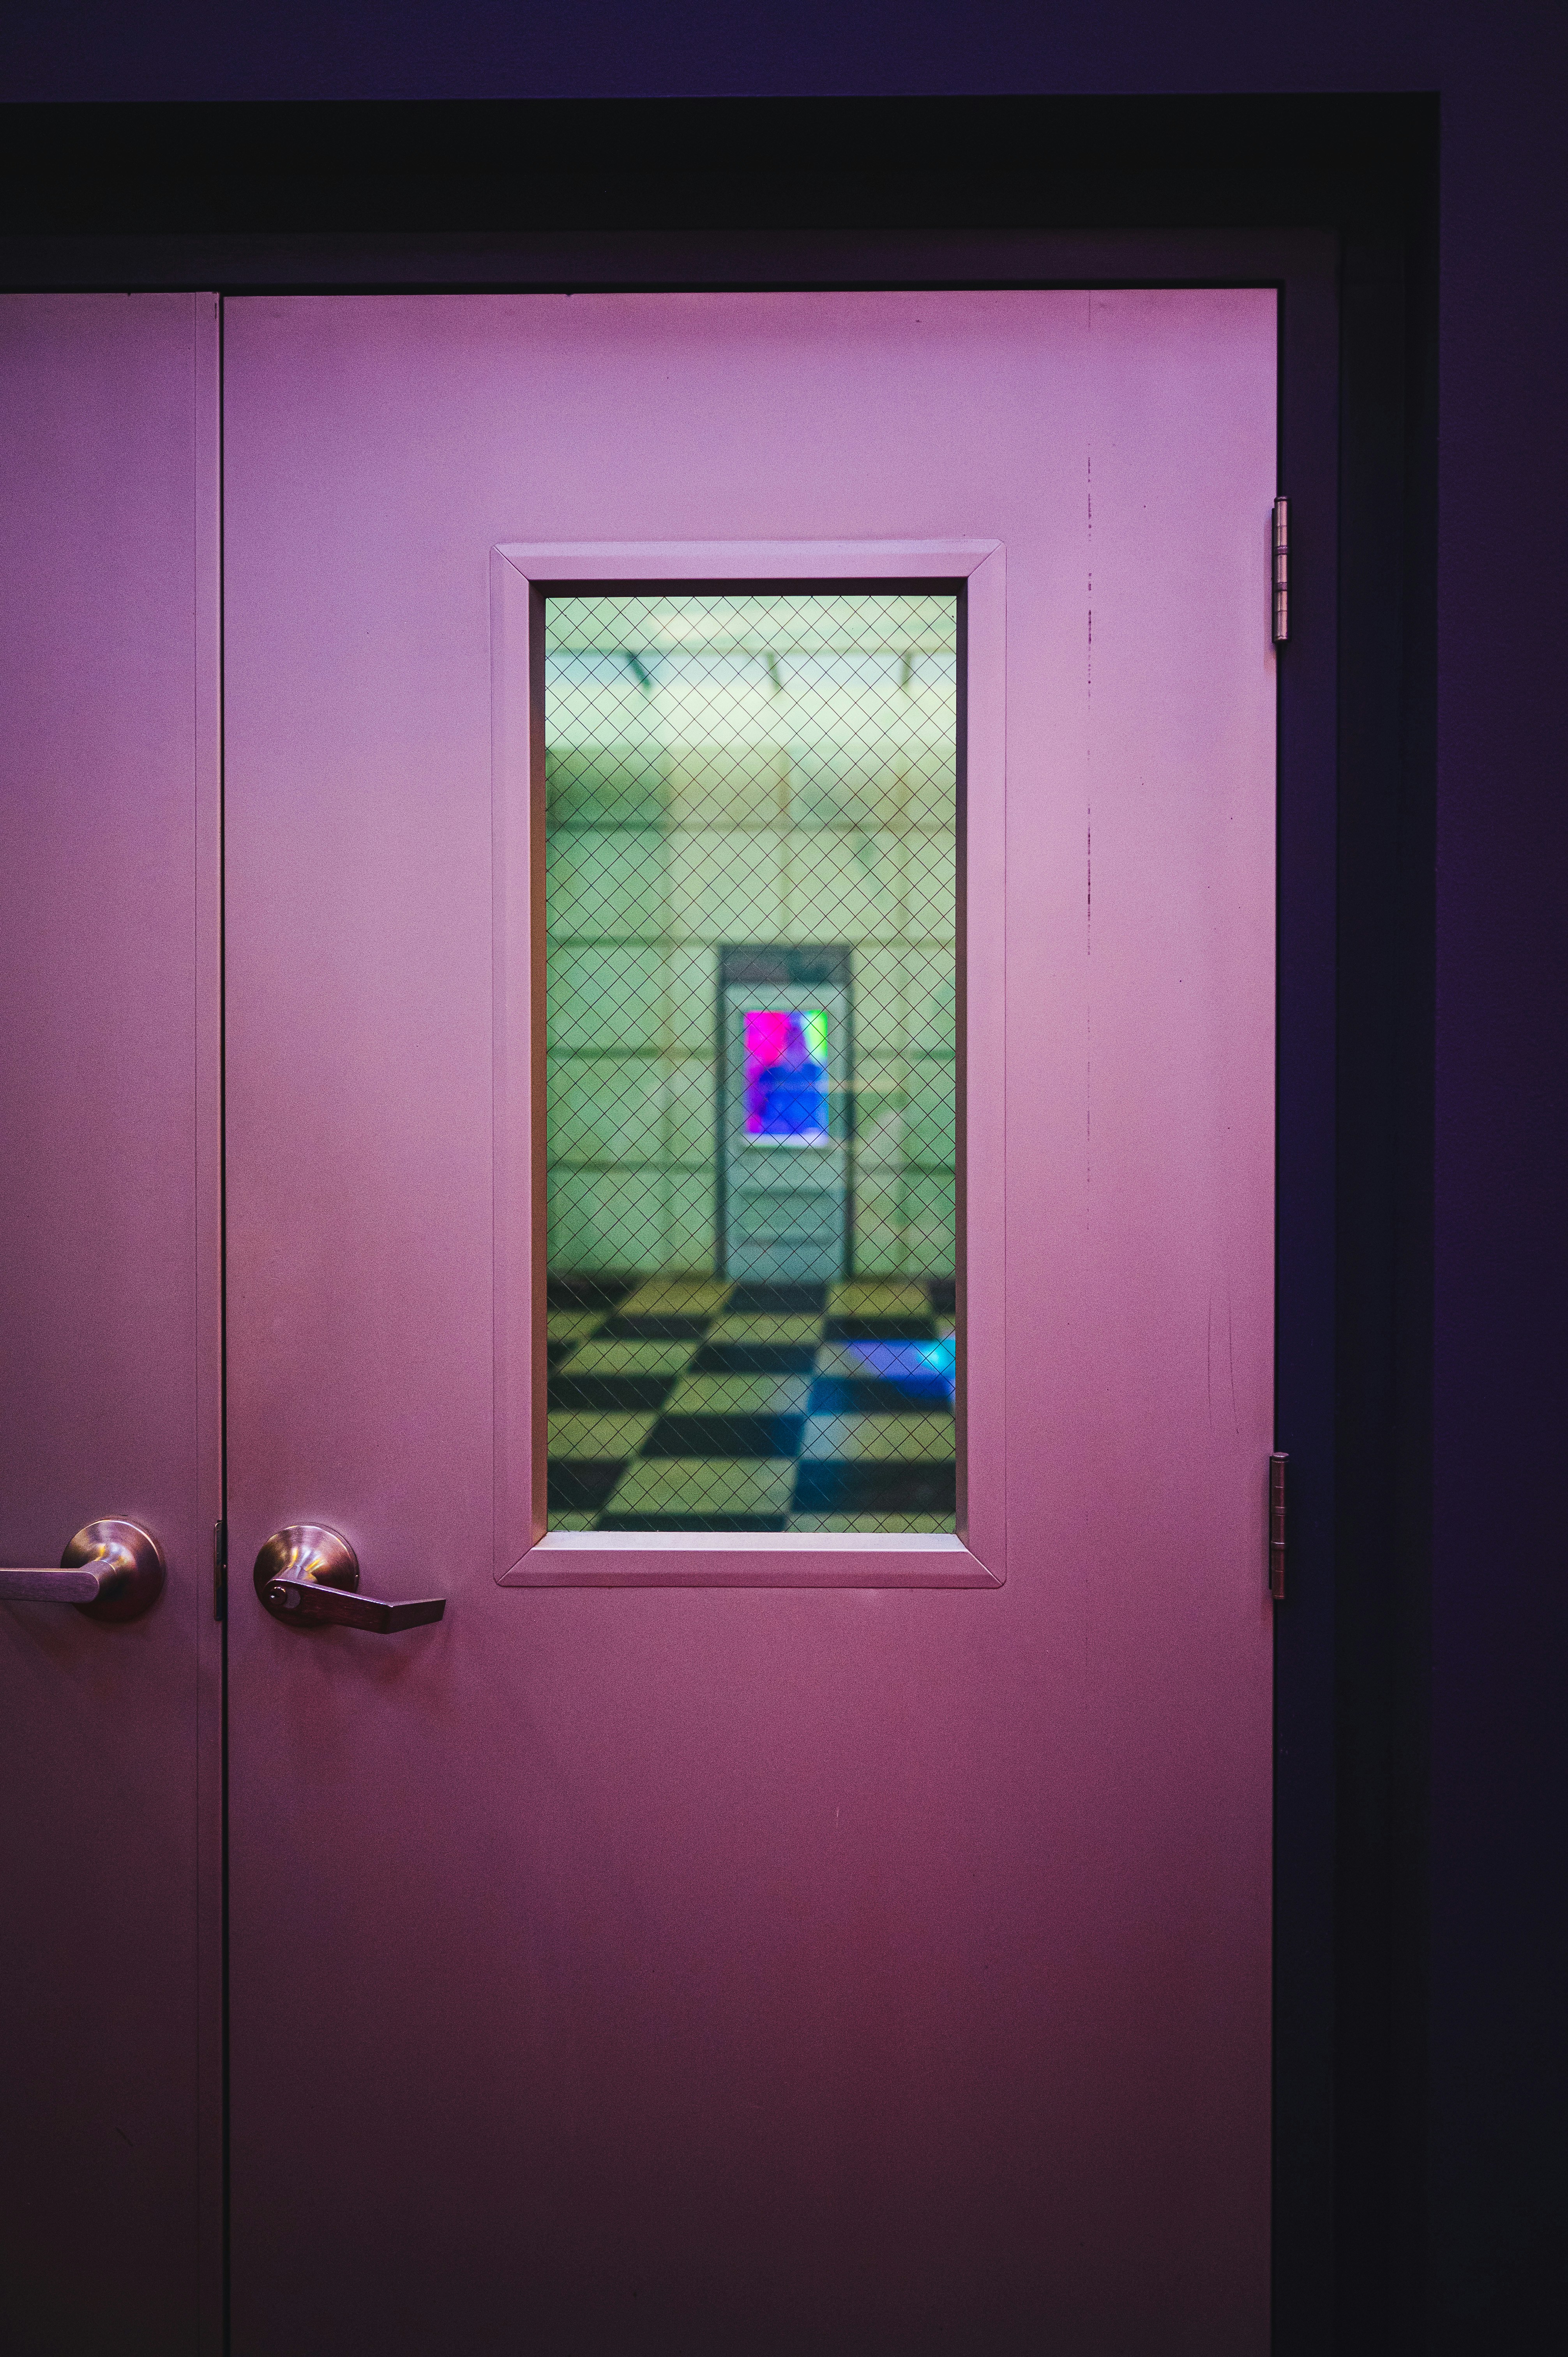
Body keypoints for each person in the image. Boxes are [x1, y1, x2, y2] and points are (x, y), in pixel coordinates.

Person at [750, 1012, 827, 1139]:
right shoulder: (770, 1075)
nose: (796, 1048)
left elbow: (824, 1116)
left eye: (800, 1044)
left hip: (811, 1138)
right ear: (786, 1045)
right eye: (792, 1044)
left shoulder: (817, 1073)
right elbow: (758, 1113)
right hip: (775, 1138)